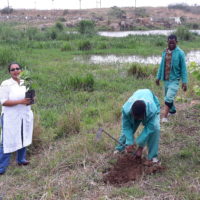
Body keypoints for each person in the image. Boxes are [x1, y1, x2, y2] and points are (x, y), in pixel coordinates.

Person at [0, 63, 34, 175]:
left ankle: (21, 159)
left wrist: (32, 99)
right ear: (9, 72)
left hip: (24, 115)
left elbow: (29, 97)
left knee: (23, 135)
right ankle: (1, 167)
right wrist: (21, 102)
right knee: (7, 140)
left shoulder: (26, 82)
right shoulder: (6, 84)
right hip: (11, 117)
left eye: (17, 69)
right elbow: (3, 102)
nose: (15, 71)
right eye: (12, 69)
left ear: (21, 70)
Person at [115, 89, 160, 163]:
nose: (137, 119)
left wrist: (140, 147)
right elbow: (126, 127)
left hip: (151, 103)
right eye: (135, 117)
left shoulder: (152, 110)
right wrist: (130, 142)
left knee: (155, 129)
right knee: (128, 129)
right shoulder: (126, 109)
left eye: (139, 118)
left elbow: (148, 130)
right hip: (138, 95)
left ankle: (152, 157)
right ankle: (120, 148)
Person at [156, 34, 188, 123]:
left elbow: (184, 68)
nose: (171, 44)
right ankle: (172, 111)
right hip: (166, 80)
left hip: (175, 80)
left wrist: (184, 82)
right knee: (167, 97)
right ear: (167, 42)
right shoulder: (164, 52)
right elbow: (161, 66)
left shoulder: (180, 53)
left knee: (168, 98)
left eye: (173, 43)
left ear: (176, 42)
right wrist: (158, 77)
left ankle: (164, 117)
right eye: (169, 43)